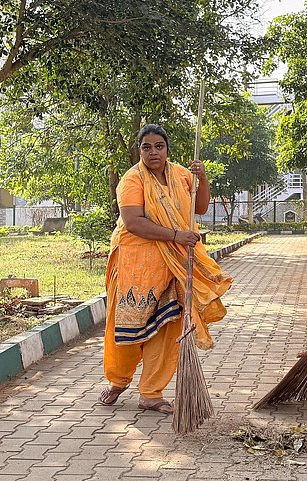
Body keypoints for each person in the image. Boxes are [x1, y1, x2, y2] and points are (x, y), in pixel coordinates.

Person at [98, 124, 232, 414]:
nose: (153, 152)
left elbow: (199, 207)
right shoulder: (132, 179)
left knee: (167, 326)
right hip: (135, 266)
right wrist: (175, 236)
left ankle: (151, 393)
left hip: (172, 263)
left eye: (159, 146)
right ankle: (118, 381)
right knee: (128, 328)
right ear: (140, 150)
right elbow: (133, 222)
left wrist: (203, 178)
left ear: (167, 148)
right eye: (147, 147)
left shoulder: (182, 174)